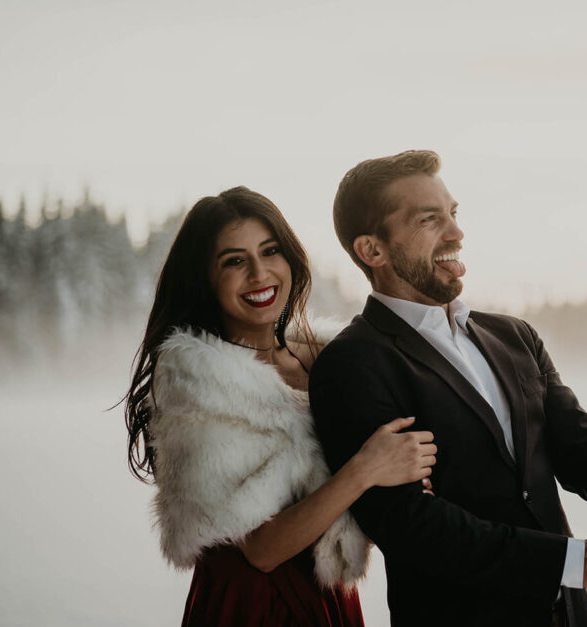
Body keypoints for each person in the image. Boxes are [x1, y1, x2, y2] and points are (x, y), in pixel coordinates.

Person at [309, 150, 587, 627]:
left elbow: (579, 447)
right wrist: (569, 561)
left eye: (453, 214)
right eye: (429, 219)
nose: (456, 233)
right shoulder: (353, 363)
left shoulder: (513, 336)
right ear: (372, 250)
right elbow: (408, 526)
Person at [122, 186, 437, 626]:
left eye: (270, 251)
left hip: (329, 597)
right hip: (254, 604)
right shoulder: (197, 381)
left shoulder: (331, 358)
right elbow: (262, 550)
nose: (259, 273)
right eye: (234, 261)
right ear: (205, 279)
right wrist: (364, 470)